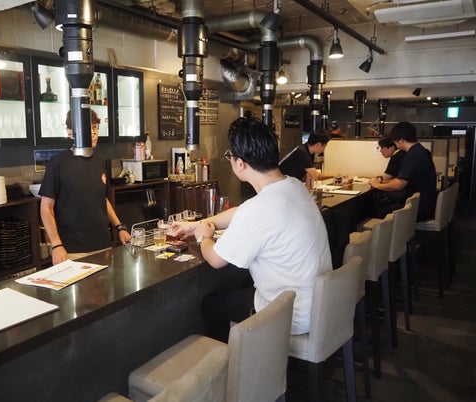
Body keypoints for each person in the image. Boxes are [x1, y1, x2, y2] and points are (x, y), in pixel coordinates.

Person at [170, 116, 332, 342]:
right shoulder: (293, 185)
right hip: (319, 305)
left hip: (291, 315)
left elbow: (215, 259)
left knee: (211, 305)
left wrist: (202, 238)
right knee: (244, 284)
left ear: (240, 164)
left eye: (230, 155)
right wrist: (199, 224)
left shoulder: (259, 208)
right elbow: (242, 211)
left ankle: (237, 363)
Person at [40, 110, 131, 265]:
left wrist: (120, 227)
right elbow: (46, 208)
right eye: (87, 128)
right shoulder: (58, 163)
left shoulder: (101, 162)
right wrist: (56, 245)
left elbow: (102, 200)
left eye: (95, 127)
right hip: (71, 251)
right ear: (70, 132)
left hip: (103, 245)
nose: (93, 133)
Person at [369, 122, 437, 221]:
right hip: (425, 204)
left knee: (374, 212)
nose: (395, 145)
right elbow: (401, 179)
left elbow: (399, 185)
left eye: (395, 141)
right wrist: (383, 182)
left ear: (401, 140)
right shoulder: (420, 151)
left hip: (417, 209)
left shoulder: (412, 156)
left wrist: (377, 185)